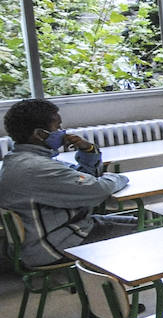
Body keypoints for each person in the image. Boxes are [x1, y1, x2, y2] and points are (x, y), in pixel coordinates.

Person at [0, 99, 136, 266]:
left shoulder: (22, 159)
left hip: (59, 232)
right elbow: (98, 190)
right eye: (58, 127)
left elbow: (78, 179)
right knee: (145, 230)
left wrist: (88, 151)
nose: (63, 132)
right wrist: (118, 177)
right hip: (56, 244)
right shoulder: (36, 168)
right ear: (40, 134)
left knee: (140, 221)